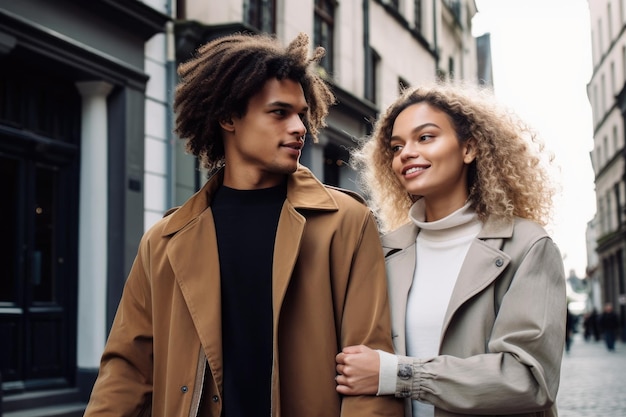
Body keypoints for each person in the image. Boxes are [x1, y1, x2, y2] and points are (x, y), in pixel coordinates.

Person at [83, 32, 403, 417]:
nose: (300, 127)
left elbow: (369, 372)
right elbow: (128, 368)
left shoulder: (345, 222)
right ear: (228, 117)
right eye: (279, 112)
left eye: (301, 113)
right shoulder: (164, 240)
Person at [335, 81, 567, 417]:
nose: (406, 154)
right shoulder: (382, 250)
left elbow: (529, 380)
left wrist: (399, 375)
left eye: (425, 137)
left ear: (469, 149)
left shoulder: (527, 246)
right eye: (396, 147)